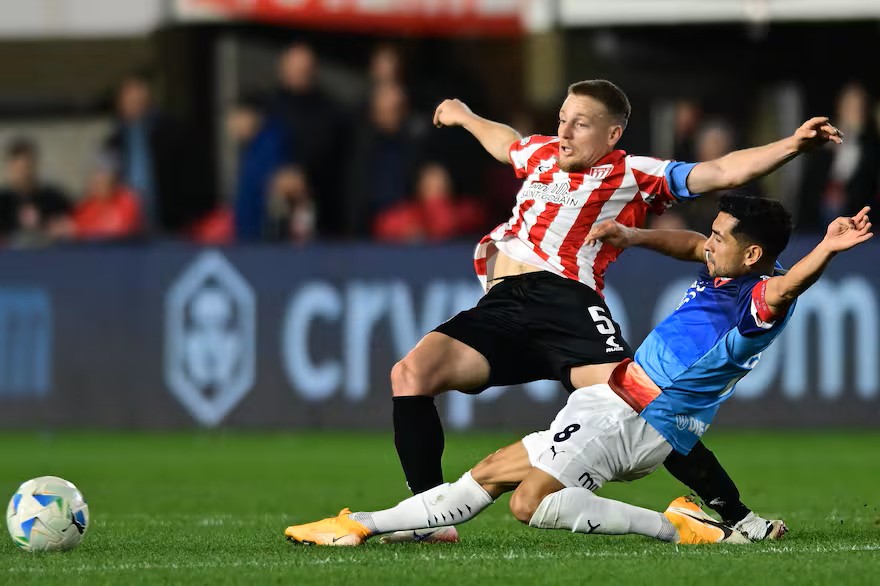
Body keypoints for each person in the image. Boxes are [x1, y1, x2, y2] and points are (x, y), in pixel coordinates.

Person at [284, 196, 872, 546]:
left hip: (635, 417)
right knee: (492, 471)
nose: (707, 242)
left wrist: (826, 248)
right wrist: (634, 235)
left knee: (528, 503)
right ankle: (364, 524)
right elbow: (687, 244)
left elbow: (791, 283)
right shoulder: (725, 272)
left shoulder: (759, 299)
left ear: (750, 254)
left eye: (719, 237)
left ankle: (683, 530)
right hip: (615, 401)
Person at [387, 79, 844, 525]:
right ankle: (428, 518)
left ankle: (733, 514)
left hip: (568, 303)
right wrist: (465, 116)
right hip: (503, 305)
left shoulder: (633, 173)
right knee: (411, 374)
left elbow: (722, 171)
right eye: (563, 120)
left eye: (580, 124)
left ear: (612, 134)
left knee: (645, 400)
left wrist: (793, 145)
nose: (564, 132)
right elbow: (506, 142)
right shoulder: (541, 153)